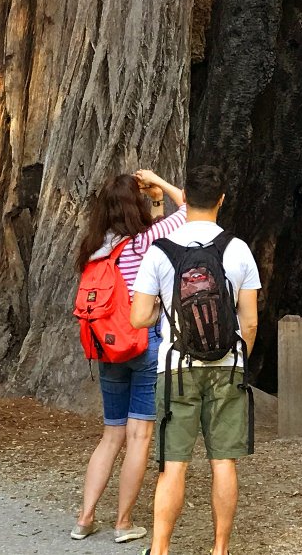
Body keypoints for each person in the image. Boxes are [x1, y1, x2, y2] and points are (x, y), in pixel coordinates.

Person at [129, 164, 260, 555]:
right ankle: (220, 549)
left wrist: (160, 316)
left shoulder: (161, 250)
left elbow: (138, 316)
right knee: (223, 462)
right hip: (228, 369)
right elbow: (250, 322)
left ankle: (161, 549)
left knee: (174, 465)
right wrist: (234, 358)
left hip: (176, 369)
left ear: (185, 196)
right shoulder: (238, 249)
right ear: (222, 200)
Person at [71, 169, 186, 543]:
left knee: (111, 434)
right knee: (139, 437)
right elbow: (188, 206)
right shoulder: (145, 242)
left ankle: (84, 518)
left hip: (107, 346)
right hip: (143, 343)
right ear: (134, 206)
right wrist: (160, 185)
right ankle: (122, 523)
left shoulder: (93, 247)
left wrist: (151, 199)